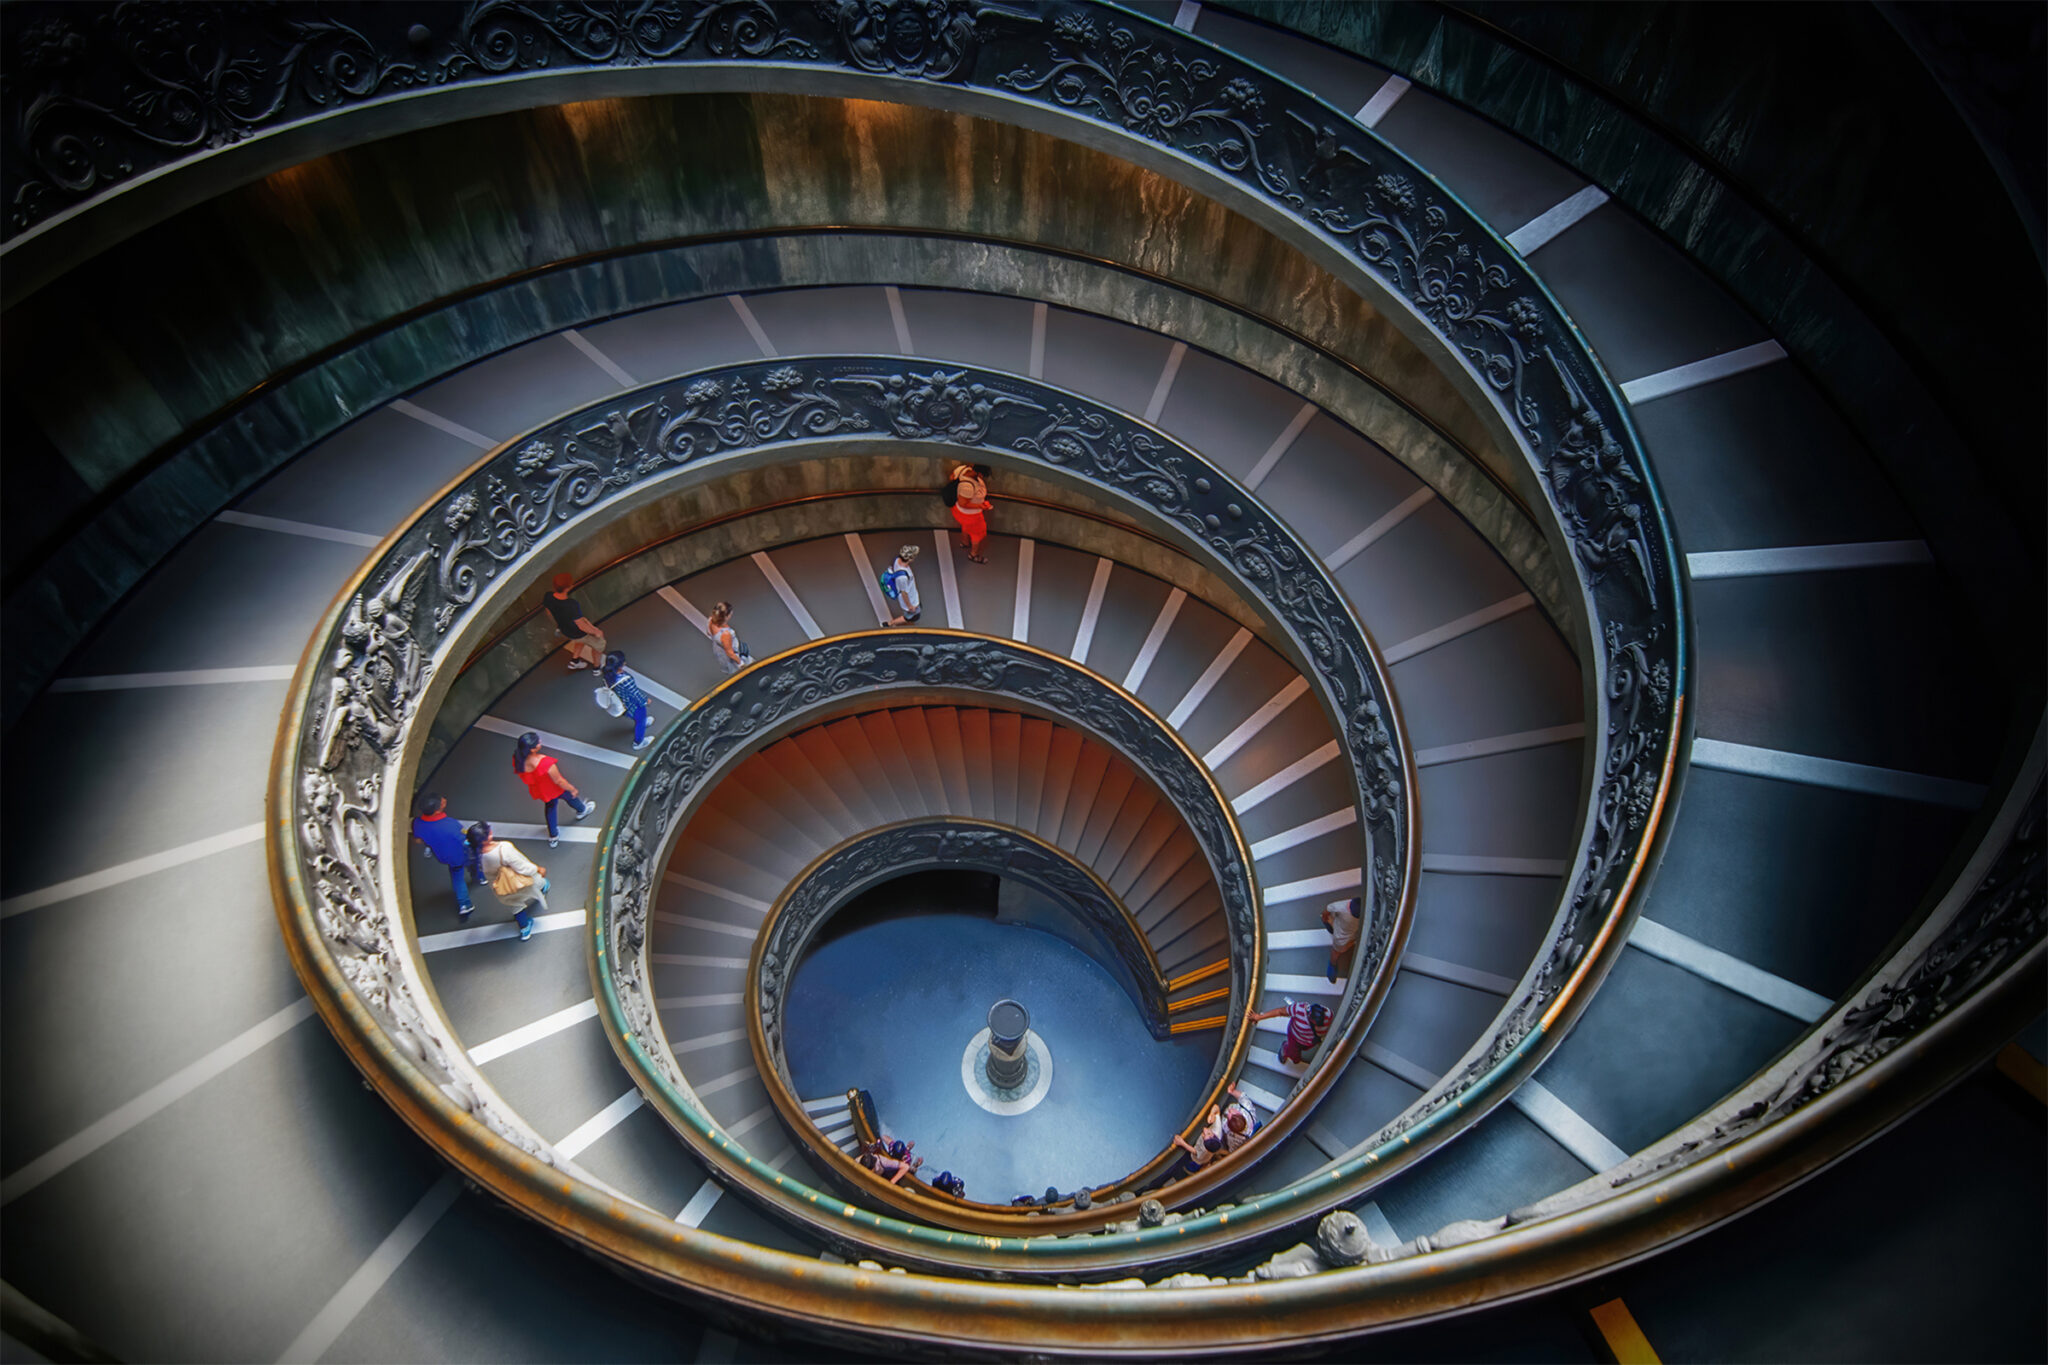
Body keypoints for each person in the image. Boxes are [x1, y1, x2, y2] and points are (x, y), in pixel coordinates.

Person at [465, 821, 547, 941]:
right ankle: (543, 887)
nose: (490, 831)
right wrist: (538, 869)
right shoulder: (504, 848)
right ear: (484, 840)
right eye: (488, 832)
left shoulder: (474, 854)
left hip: (500, 886)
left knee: (515, 905)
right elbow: (522, 867)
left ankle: (524, 928)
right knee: (538, 883)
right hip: (517, 881)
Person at [513, 731, 593, 847]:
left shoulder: (518, 760)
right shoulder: (545, 763)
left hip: (540, 790)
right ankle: (582, 810)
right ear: (533, 749)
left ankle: (553, 835)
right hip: (554, 788)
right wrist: (572, 788)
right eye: (538, 742)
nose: (540, 742)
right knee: (570, 796)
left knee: (550, 809)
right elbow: (559, 781)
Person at [410, 792, 481, 920]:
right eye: (441, 802)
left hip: (445, 856)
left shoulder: (417, 823)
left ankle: (465, 905)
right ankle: (479, 878)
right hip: (462, 853)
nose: (444, 800)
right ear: (437, 811)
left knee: (457, 877)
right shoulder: (450, 824)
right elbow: (465, 839)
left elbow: (418, 840)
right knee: (473, 864)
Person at [543, 572, 606, 671]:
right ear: (568, 588)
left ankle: (575, 661)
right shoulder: (571, 605)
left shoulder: (548, 596)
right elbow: (581, 626)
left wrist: (559, 624)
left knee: (579, 641)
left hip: (565, 630)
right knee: (599, 645)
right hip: (578, 633)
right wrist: (596, 632)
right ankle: (597, 668)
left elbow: (549, 612)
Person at [1250, 998, 1332, 1066]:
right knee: (1295, 1058)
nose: (1318, 1027)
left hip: (1310, 1041)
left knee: (1303, 1050)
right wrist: (1259, 1017)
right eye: (1316, 1024)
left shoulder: (1327, 1014)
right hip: (1295, 1038)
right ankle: (1285, 1048)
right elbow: (1280, 1011)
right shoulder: (1299, 1009)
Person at [600, 650, 654, 751]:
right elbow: (635, 694)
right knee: (640, 720)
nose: (625, 662)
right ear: (620, 665)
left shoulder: (608, 674)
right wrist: (646, 701)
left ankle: (642, 722)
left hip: (622, 703)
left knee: (634, 717)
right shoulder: (625, 680)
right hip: (634, 705)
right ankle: (638, 742)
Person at [948, 464, 992, 563]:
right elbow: (963, 503)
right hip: (970, 515)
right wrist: (981, 506)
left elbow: (951, 477)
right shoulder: (967, 487)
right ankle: (973, 554)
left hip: (958, 511)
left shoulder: (962, 469)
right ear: (979, 473)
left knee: (966, 526)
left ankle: (965, 542)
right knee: (977, 534)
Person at [1321, 895, 1362, 982]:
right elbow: (1327, 912)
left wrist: (1325, 919)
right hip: (1347, 935)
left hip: (1348, 935)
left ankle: (1332, 964)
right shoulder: (1340, 907)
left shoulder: (1340, 907)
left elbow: (1326, 911)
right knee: (1339, 949)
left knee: (1338, 950)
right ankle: (1332, 964)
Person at [880, 544, 922, 624]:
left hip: (913, 595)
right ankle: (890, 623)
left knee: (915, 612)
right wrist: (910, 606)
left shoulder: (897, 560)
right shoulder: (902, 578)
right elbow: (904, 593)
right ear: (910, 559)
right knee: (911, 617)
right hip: (911, 600)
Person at [705, 601, 747, 675]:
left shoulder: (710, 620)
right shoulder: (726, 634)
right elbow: (730, 653)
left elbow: (708, 632)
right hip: (730, 656)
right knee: (738, 672)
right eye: (730, 614)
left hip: (719, 650)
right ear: (726, 617)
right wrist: (741, 663)